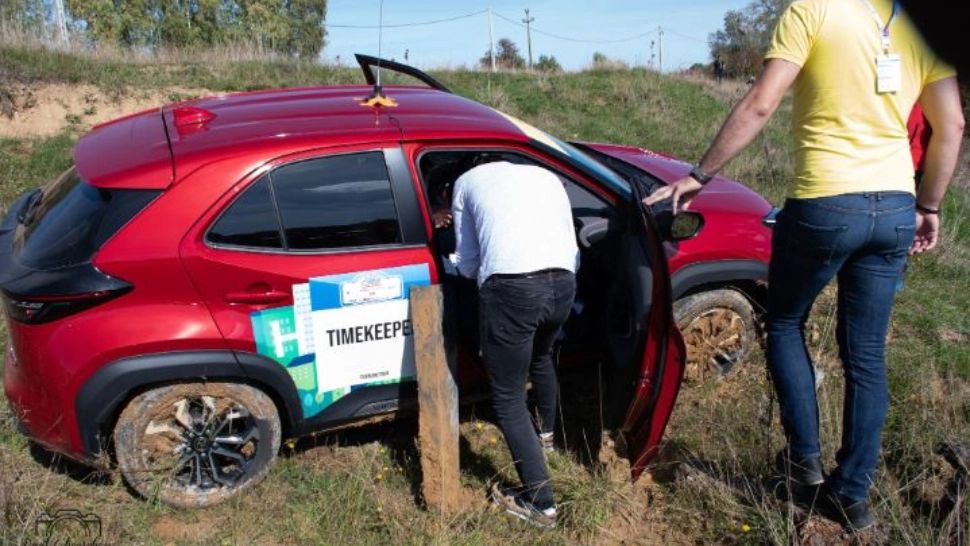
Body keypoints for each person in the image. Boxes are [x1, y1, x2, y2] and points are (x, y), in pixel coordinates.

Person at [643, 0, 963, 532]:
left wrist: (701, 175)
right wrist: (928, 206)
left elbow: (761, 104)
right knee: (865, 356)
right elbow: (949, 124)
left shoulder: (812, 9)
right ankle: (852, 495)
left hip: (826, 202)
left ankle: (804, 467)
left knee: (787, 320)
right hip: (896, 207)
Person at [451, 157, 579, 528]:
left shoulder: (466, 181)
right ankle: (547, 437)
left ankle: (541, 504)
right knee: (541, 357)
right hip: (564, 282)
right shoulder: (545, 175)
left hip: (512, 287)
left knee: (507, 397)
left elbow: (469, 263)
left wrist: (452, 265)